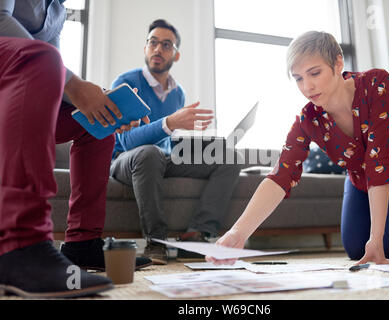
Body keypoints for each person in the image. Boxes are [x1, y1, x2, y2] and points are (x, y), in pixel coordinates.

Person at [207, 31, 389, 266]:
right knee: (355, 250)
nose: (307, 86)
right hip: (361, 180)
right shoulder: (307, 120)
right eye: (298, 78)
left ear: (338, 62)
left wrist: (376, 238)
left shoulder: (375, 82)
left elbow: (379, 161)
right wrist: (238, 232)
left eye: (314, 73)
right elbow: (280, 176)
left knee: (387, 247)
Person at [0, 0, 151, 298]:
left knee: (97, 124)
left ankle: (82, 243)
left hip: (20, 89)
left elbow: (51, 74)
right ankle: (20, 247)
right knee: (44, 58)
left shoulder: (56, 10)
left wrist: (100, 101)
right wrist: (75, 85)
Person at [110, 19, 242, 265]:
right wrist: (171, 122)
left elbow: (168, 141)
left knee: (230, 156)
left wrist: (194, 138)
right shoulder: (126, 83)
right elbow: (127, 142)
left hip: (164, 157)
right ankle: (156, 242)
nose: (158, 49)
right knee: (148, 154)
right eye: (153, 43)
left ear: (176, 55)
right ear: (145, 48)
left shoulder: (177, 92)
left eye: (166, 45)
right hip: (125, 160)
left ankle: (195, 235)